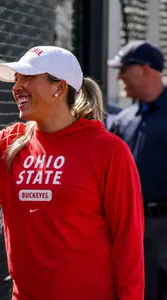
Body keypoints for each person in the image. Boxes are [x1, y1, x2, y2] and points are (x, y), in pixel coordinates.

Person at [0, 38, 144, 300]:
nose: (17, 87)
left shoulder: (109, 151)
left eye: (28, 78)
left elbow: (129, 242)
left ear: (60, 88)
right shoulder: (9, 144)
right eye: (16, 78)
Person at [108, 40, 167, 300]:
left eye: (124, 69)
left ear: (145, 70)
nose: (119, 76)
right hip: (133, 230)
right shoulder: (122, 121)